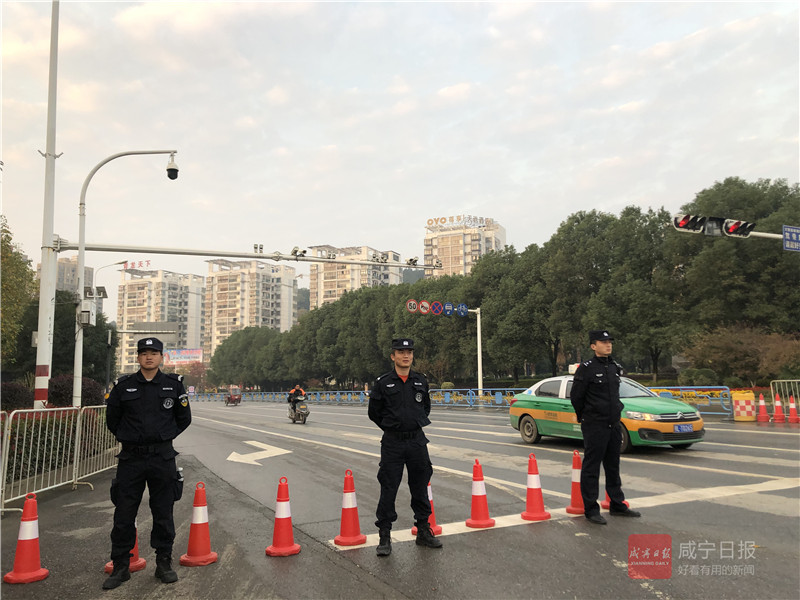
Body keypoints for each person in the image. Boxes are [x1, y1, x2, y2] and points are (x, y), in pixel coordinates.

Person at [103, 337, 192, 589]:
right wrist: (129, 437)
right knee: (124, 513)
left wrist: (164, 436)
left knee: (163, 512)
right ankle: (121, 566)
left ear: (162, 357)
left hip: (162, 458)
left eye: (154, 353)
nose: (149, 357)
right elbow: (112, 419)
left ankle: (163, 562)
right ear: (138, 357)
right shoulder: (124, 386)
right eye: (144, 353)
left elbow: (184, 418)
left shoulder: (173, 385)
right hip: (131, 458)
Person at [368, 338, 442, 556]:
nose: (406, 355)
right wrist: (393, 427)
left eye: (409, 352)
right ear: (393, 356)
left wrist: (412, 424)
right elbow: (374, 413)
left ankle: (423, 530)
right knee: (389, 487)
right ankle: (384, 535)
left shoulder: (420, 381)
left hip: (417, 441)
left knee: (420, 485)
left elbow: (425, 408)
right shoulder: (383, 383)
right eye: (401, 352)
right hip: (393, 443)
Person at [570, 330, 641, 525]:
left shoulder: (614, 367)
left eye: (609, 341)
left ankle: (617, 504)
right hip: (595, 424)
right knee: (592, 467)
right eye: (603, 342)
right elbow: (576, 396)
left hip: (613, 424)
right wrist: (585, 417)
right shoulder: (586, 368)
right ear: (593, 346)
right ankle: (591, 509)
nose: (608, 345)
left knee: (613, 465)